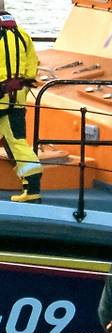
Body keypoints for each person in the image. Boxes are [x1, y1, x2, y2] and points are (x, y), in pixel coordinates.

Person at [0, 6, 42, 203]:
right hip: (17, 98)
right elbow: (32, 69)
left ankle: (33, 186)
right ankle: (31, 187)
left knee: (15, 142)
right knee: (15, 138)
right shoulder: (22, 35)